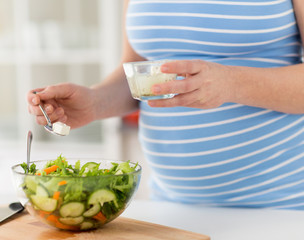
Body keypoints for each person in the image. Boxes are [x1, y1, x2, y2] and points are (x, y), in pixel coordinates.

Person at [27, 0, 304, 210]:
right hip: (171, 207)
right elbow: (139, 74)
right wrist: (95, 102)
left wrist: (230, 83)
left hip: (280, 207)